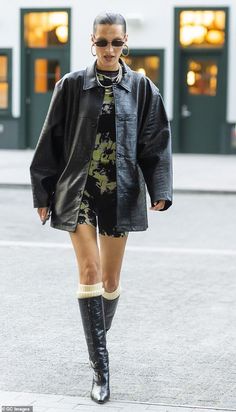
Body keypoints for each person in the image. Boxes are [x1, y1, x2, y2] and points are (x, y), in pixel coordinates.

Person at [30, 11, 173, 405]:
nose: (109, 49)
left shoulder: (143, 88)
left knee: (109, 283)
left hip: (120, 193)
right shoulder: (72, 85)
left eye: (116, 42)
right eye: (101, 42)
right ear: (90, 42)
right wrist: (43, 194)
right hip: (78, 192)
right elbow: (50, 142)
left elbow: (156, 142)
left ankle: (94, 337)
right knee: (89, 272)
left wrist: (159, 186)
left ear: (125, 42)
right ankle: (101, 370)